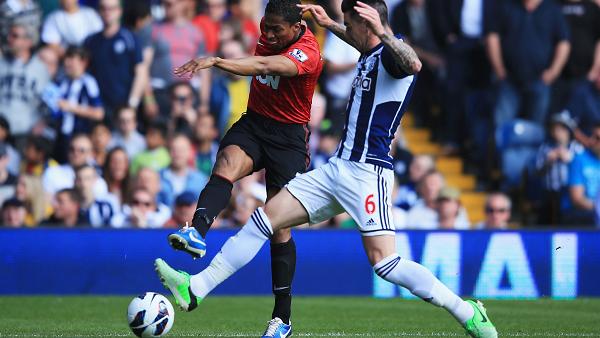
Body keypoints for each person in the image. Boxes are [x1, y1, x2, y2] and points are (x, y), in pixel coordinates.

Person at [155, 1, 497, 338]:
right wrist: (331, 23)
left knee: (385, 264)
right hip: (337, 168)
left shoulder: (394, 54)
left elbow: (415, 64)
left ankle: (468, 312)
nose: (348, 31)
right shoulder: (371, 53)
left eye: (351, 23)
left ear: (369, 23)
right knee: (264, 220)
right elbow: (365, 42)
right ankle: (196, 287)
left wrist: (381, 31)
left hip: (368, 173)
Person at [166, 0, 323, 335]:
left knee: (279, 225)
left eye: (275, 30)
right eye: (265, 26)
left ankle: (282, 318)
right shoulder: (278, 27)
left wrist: (217, 60)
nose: (266, 33)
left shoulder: (307, 52)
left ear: (296, 29)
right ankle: (197, 231)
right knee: (225, 165)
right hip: (255, 124)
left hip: (288, 139)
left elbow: (265, 64)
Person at [486, 0, 571, 128]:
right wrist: (498, 68)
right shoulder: (506, 6)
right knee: (502, 126)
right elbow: (492, 36)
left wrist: (554, 71)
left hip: (540, 80)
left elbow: (563, 42)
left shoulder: (552, 10)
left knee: (536, 127)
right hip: (509, 79)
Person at [84, 0, 147, 123]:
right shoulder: (90, 41)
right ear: (99, 11)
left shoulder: (130, 38)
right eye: (104, 8)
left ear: (119, 11)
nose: (107, 13)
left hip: (124, 106)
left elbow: (141, 72)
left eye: (111, 9)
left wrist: (132, 104)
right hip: (99, 107)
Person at [0, 20, 50, 145]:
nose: (10, 39)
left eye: (15, 36)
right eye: (10, 35)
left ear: (28, 41)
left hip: (26, 132)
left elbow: (49, 102)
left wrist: (43, 122)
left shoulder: (40, 69)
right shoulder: (1, 63)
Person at [534, 111, 582, 225]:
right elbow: (537, 172)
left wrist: (570, 160)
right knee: (546, 221)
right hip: (549, 193)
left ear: (568, 131)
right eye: (554, 128)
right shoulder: (545, 148)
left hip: (569, 193)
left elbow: (582, 169)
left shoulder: (577, 149)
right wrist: (548, 161)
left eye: (562, 129)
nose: (557, 132)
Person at [159, 134, 208, 207]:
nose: (178, 154)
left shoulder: (201, 180)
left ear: (190, 152)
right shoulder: (158, 177)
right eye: (174, 149)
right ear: (169, 152)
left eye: (182, 150)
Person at [567, 123, 600, 225]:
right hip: (582, 219)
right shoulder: (579, 160)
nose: (592, 141)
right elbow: (577, 199)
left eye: (598, 138)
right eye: (592, 136)